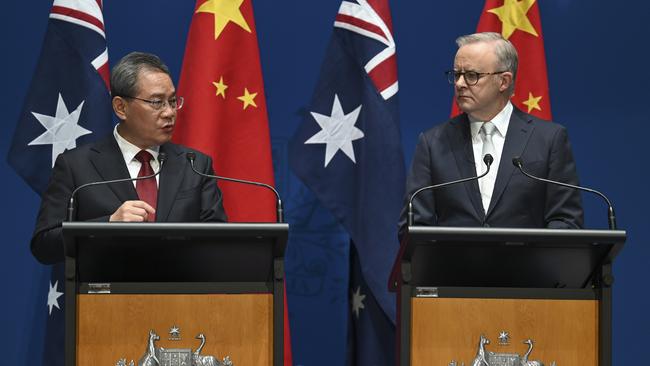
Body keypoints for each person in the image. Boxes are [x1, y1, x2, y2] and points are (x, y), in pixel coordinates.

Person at [31, 52, 227, 264]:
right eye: (156, 102)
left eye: (172, 101)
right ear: (121, 107)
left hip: (181, 294)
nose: (169, 112)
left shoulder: (194, 165)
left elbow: (218, 241)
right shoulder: (76, 166)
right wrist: (108, 224)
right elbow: (44, 245)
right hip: (104, 294)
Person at [398, 32, 583, 238]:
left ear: (503, 81)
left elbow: (566, 222)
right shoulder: (433, 143)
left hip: (526, 269)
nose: (459, 84)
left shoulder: (549, 139)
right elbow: (414, 226)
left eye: (471, 75)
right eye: (456, 74)